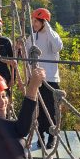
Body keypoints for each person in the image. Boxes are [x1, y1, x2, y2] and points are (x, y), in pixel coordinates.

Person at [24, 8, 63, 149]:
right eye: (33, 21)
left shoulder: (53, 36)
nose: (33, 24)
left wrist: (48, 29)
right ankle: (40, 137)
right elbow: (27, 54)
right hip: (36, 78)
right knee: (37, 110)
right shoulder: (32, 37)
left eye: (36, 21)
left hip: (51, 78)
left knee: (51, 111)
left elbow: (58, 47)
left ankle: (51, 137)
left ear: (43, 22)